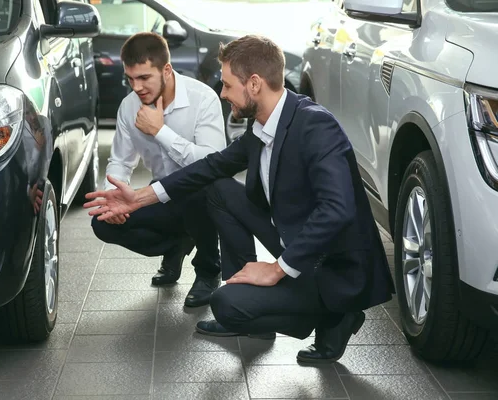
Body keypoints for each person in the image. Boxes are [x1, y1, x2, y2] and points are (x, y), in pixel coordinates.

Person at [84, 35, 395, 363]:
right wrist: (139, 198)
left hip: (333, 265)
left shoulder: (316, 126)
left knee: (227, 305)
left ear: (255, 84)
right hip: (293, 237)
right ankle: (246, 285)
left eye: (228, 85)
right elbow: (210, 166)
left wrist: (277, 269)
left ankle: (334, 316)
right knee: (216, 186)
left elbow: (337, 210)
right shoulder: (262, 128)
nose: (223, 93)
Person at [91, 32, 226, 307]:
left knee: (198, 194)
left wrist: (160, 131)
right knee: (101, 223)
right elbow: (120, 160)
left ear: (166, 69)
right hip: (159, 194)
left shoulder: (203, 99)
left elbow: (212, 164)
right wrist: (112, 196)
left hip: (202, 194)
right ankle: (176, 245)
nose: (136, 87)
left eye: (144, 78)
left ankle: (209, 271)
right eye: (130, 79)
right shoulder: (129, 106)